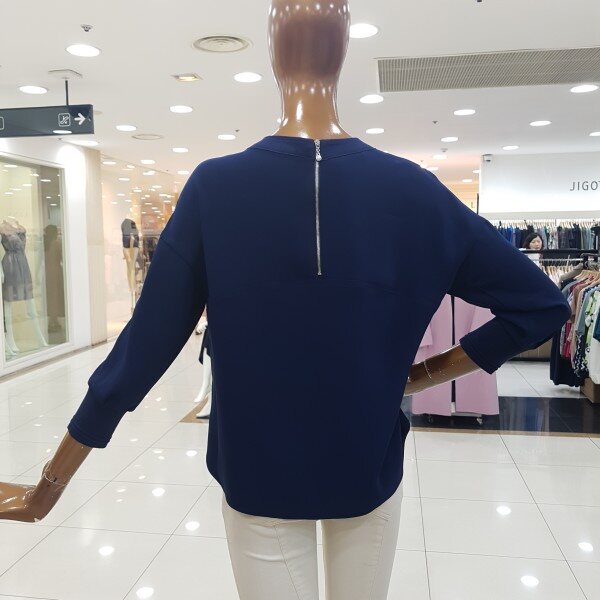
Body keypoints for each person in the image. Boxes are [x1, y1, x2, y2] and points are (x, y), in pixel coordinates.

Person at [0, 2, 571, 600]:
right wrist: (419, 376)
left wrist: (48, 486)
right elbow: (540, 305)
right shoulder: (415, 191)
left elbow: (142, 350)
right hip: (365, 461)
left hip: (259, 470)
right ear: (344, 51)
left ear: (273, 53)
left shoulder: (214, 188)